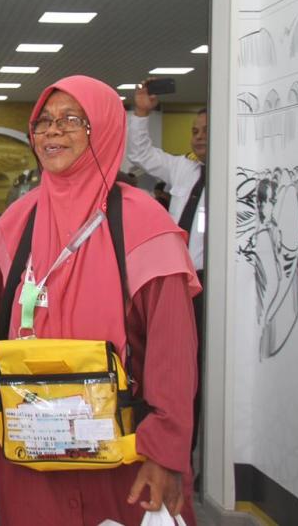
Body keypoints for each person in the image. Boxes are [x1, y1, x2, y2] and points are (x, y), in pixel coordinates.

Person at [0, 75, 200, 525]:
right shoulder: (16, 223)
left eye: (71, 120)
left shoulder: (144, 224)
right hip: (31, 453)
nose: (53, 131)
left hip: (122, 458)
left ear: (102, 130)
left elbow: (173, 352)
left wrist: (165, 454)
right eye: (43, 122)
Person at [127, 82, 207, 454]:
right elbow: (141, 153)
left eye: (207, 131)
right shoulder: (185, 170)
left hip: (214, 286)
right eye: (195, 131)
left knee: (204, 371)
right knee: (175, 371)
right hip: (179, 283)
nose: (200, 137)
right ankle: (177, 446)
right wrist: (142, 113)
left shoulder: (236, 178)